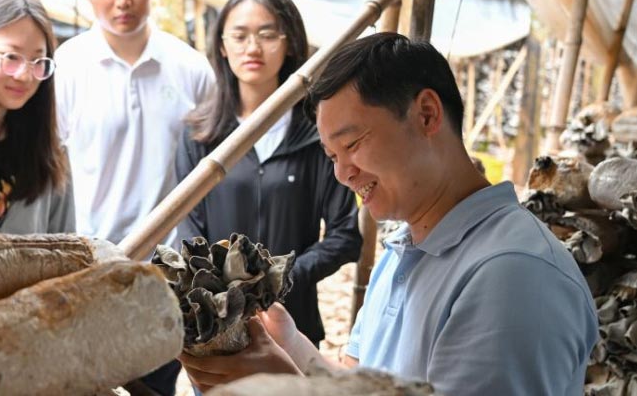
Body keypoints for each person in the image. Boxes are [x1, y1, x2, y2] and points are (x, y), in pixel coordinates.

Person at [180, 32, 599, 396]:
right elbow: (360, 382)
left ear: (427, 114)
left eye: (353, 143)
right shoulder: (407, 247)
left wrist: (281, 387)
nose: (343, 173)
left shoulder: (512, 274)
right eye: (331, 155)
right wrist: (289, 347)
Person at [53, 0, 213, 396]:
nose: (121, 0)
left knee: (157, 384)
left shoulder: (190, 68)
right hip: (89, 268)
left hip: (167, 272)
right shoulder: (66, 67)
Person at [176, 0, 361, 349]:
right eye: (240, 35)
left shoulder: (317, 135)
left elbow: (345, 236)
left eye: (266, 34)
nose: (252, 47)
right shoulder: (200, 135)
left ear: (290, 42)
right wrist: (226, 293)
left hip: (296, 327)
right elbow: (189, 229)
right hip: (219, 331)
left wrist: (277, 281)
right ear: (222, 45)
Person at [0, 0, 74, 235]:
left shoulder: (50, 152)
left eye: (38, 61)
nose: (25, 76)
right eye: (11, 57)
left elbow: (68, 250)